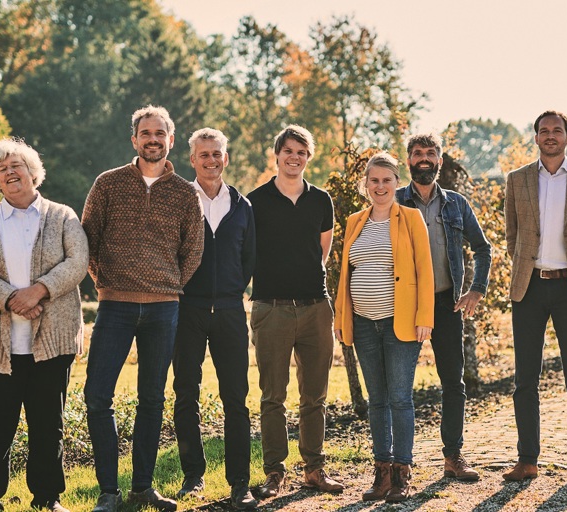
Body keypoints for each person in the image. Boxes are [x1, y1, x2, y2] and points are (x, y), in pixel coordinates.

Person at [81, 105, 204, 512]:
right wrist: (104, 283)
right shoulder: (108, 184)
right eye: (145, 133)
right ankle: (108, 492)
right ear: (134, 140)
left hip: (163, 310)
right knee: (98, 395)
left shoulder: (186, 194)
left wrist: (167, 287)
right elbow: (87, 240)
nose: (153, 139)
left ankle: (142, 488)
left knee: (152, 399)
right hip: (114, 306)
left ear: (171, 139)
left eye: (160, 133)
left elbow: (193, 251)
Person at [0, 138, 88, 512]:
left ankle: (47, 498)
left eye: (16, 165)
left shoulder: (62, 216)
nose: (10, 172)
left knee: (48, 426)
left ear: (34, 173)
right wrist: (10, 298)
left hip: (52, 343)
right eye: (1, 168)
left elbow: (78, 261)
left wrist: (39, 291)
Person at [502, 111, 567, 486]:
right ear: (535, 138)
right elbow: (512, 234)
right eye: (544, 131)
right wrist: (527, 267)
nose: (550, 136)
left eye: (556, 131)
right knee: (525, 379)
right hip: (529, 286)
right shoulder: (517, 180)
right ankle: (527, 460)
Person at [249, 125, 344, 497]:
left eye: (302, 152)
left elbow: (323, 252)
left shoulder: (322, 201)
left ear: (309, 157)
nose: (295, 158)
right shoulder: (255, 201)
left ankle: (314, 469)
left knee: (315, 396)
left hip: (315, 307)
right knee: (273, 396)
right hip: (270, 308)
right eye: (289, 151)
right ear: (277, 155)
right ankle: (274, 472)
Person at [334, 153, 434, 503]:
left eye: (386, 180)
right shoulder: (354, 221)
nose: (380, 186)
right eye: (374, 180)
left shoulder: (411, 218)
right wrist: (341, 319)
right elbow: (347, 275)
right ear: (366, 183)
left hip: (400, 325)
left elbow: (424, 269)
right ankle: (382, 474)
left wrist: (425, 317)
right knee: (377, 400)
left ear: (396, 183)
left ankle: (402, 475)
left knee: (399, 398)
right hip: (363, 324)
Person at [395, 133, 491, 481]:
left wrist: (475, 290)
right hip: (404, 306)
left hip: (446, 303)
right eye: (417, 153)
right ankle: (398, 462)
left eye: (430, 153)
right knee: (399, 385)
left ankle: (453, 457)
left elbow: (483, 249)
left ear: (440, 160)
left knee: (453, 383)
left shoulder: (456, 204)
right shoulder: (393, 202)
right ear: (408, 161)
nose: (424, 159)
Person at [171, 128, 258, 509]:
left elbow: (249, 259)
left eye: (216, 154)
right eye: (203, 155)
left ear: (226, 158)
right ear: (192, 160)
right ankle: (193, 476)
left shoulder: (242, 206)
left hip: (229, 312)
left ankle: (240, 482)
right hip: (185, 310)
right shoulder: (177, 201)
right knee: (186, 393)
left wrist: (232, 290)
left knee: (236, 397)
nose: (211, 160)